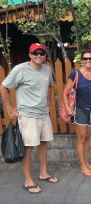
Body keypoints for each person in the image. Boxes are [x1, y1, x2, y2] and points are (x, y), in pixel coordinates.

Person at [0, 43, 59, 194]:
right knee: (28, 148)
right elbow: (3, 87)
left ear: (45, 55)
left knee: (44, 143)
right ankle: (28, 180)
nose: (39, 56)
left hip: (43, 114)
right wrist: (9, 108)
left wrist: (47, 105)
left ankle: (43, 173)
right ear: (30, 55)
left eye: (42, 53)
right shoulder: (20, 69)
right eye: (35, 53)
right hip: (27, 116)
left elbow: (50, 86)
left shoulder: (46, 69)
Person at [63, 50, 91, 177]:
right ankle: (83, 167)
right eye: (85, 59)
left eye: (90, 58)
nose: (88, 61)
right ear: (81, 60)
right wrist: (68, 108)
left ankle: (87, 163)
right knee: (81, 138)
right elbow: (65, 92)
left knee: (87, 137)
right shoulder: (75, 74)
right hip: (79, 109)